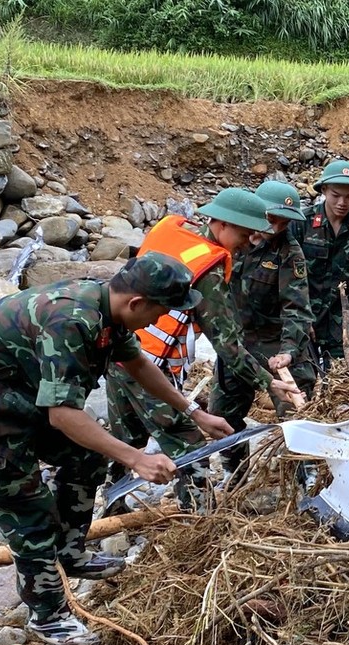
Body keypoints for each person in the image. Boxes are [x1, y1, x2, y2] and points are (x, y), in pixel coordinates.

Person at [0, 254, 233, 645]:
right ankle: (48, 615)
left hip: (28, 394)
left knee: (86, 457)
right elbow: (64, 416)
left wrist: (194, 412)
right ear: (138, 303)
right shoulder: (72, 320)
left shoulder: (109, 309)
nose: (162, 320)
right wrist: (136, 458)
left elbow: (138, 365)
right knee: (28, 508)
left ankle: (71, 554)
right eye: (163, 311)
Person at [105, 188, 298, 510]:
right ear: (220, 224)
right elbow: (227, 344)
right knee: (189, 443)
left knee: (128, 438)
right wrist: (268, 382)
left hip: (118, 352)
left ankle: (113, 505)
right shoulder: (207, 267)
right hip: (150, 367)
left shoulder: (172, 231)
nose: (248, 241)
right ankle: (201, 522)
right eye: (244, 233)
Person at [208, 180, 315, 479]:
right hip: (237, 343)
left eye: (283, 223)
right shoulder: (229, 242)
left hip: (276, 342)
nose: (274, 228)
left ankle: (305, 479)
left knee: (296, 414)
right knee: (222, 413)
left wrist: (289, 351)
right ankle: (236, 475)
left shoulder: (289, 253)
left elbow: (297, 308)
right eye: (271, 219)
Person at [293, 160, 349, 370]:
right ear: (324, 190)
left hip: (341, 316)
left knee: (344, 379)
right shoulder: (301, 223)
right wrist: (298, 317)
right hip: (302, 312)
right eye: (336, 195)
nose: (343, 202)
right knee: (303, 380)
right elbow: (285, 277)